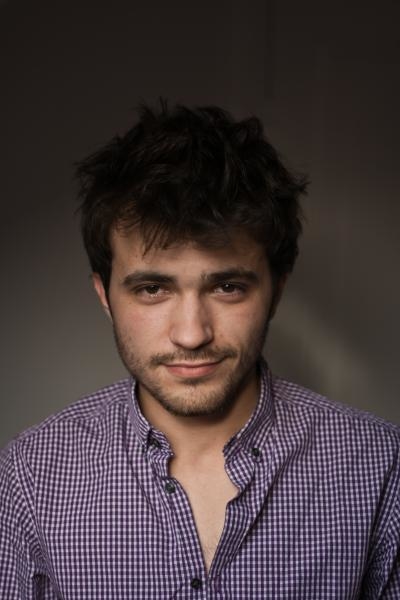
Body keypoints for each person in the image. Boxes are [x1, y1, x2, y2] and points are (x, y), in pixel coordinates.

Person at [0, 102, 399, 600]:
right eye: (152, 289)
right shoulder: (33, 474)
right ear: (104, 295)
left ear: (276, 291)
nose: (191, 335)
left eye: (228, 287)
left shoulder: (379, 466)